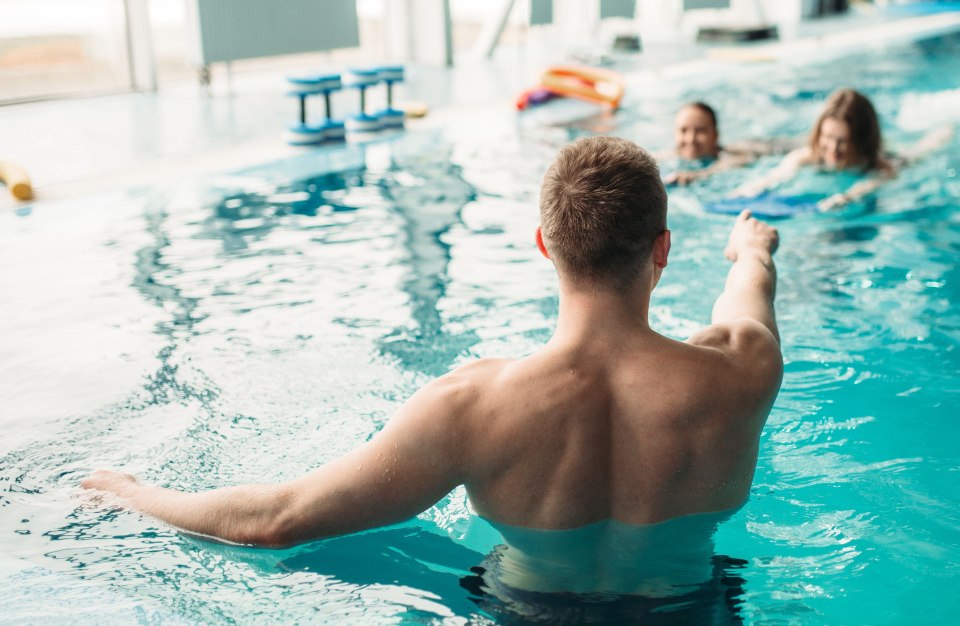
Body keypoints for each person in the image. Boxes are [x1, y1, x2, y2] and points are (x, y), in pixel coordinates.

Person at [81, 136, 783, 603]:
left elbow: (278, 519)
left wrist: (139, 495)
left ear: (544, 245)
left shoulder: (471, 407)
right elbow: (748, 297)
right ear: (662, 250)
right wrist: (751, 249)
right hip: (692, 613)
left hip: (522, 612)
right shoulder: (740, 375)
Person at [730, 88, 952, 211]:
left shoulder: (880, 166)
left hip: (895, 157)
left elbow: (872, 184)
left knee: (923, 150)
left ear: (861, 140)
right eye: (827, 137)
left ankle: (947, 127)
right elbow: (781, 172)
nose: (833, 149)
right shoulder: (810, 154)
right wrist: (756, 186)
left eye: (843, 141)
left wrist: (846, 197)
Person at [660, 102, 765, 186]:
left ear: (715, 135)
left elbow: (743, 160)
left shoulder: (730, 156)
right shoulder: (671, 154)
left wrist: (698, 175)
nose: (690, 139)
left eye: (700, 131)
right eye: (683, 130)